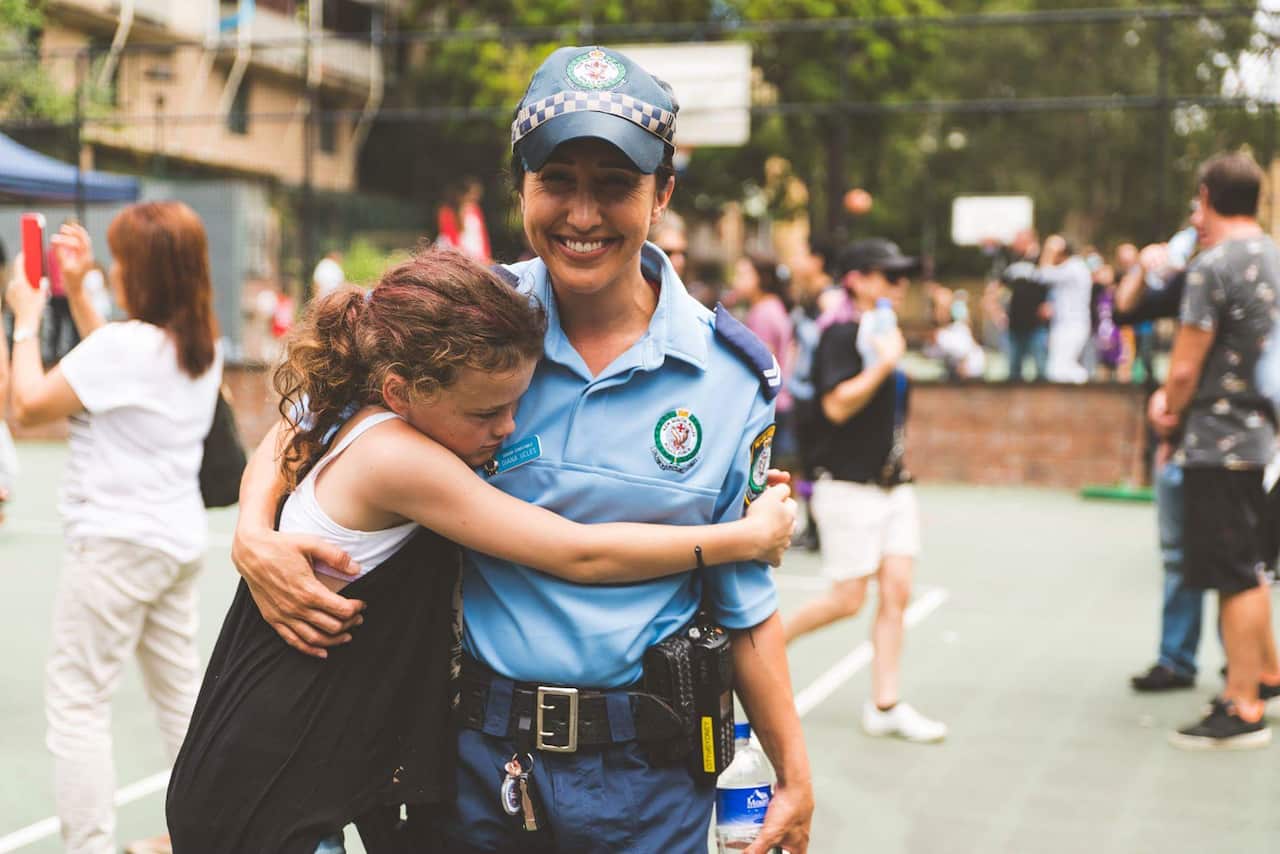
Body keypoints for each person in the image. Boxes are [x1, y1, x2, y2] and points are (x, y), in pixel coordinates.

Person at [229, 45, 813, 854]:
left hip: (651, 778)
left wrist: (794, 769)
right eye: (557, 181)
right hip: (474, 767)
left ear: (663, 194)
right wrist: (251, 533)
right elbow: (308, 418)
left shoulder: (730, 376)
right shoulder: (470, 324)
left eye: (615, 185)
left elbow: (744, 606)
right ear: (522, 188)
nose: (582, 215)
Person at [165, 249, 795, 853]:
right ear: (400, 392)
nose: (509, 427)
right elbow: (576, 552)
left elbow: (299, 422)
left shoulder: (379, 390)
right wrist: (744, 538)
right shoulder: (396, 459)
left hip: (303, 761)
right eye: (485, 412)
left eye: (518, 404)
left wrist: (254, 527)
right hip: (273, 778)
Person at [4, 204, 223, 853]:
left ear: (146, 273)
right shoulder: (199, 344)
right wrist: (77, 292)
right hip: (174, 543)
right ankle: (211, 835)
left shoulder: (126, 348)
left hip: (115, 547)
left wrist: (25, 317)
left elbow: (27, 404)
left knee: (77, 703)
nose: (115, 271)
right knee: (180, 700)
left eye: (121, 261)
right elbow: (112, 369)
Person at [784, 238, 947, 744]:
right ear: (856, 280)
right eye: (888, 275)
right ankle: (761, 648)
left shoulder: (881, 330)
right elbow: (836, 406)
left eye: (902, 276)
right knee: (847, 599)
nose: (899, 285)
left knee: (898, 590)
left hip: (892, 486)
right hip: (846, 486)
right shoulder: (840, 334)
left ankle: (885, 704)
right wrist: (883, 364)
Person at [1150, 152, 1280, 749]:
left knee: (1236, 576)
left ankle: (1242, 705)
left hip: (1221, 443)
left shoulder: (1213, 266)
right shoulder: (1274, 256)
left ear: (1206, 197)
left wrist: (1168, 409)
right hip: (1265, 440)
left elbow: (1184, 368)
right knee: (1249, 566)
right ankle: (1268, 676)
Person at [1035, 234, 1093, 384]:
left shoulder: (1074, 266)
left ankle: (1090, 388)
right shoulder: (1071, 267)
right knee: (1057, 370)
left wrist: (1050, 250)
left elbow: (1043, 275)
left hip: (1073, 325)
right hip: (1064, 325)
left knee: (1058, 370)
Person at [998, 229, 1048, 383]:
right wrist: (998, 312)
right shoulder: (1012, 261)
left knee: (1041, 369)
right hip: (1015, 324)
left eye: (1018, 240)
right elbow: (1000, 288)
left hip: (1037, 325)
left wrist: (1050, 304)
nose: (1015, 244)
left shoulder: (1043, 260)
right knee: (1014, 371)